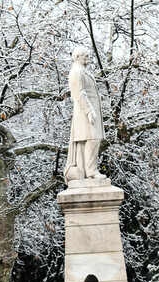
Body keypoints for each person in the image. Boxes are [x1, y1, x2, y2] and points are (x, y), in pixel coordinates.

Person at [64, 46, 106, 182]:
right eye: (85, 56)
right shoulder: (77, 71)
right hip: (84, 112)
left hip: (89, 111)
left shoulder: (82, 71)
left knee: (93, 139)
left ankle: (88, 169)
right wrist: (89, 111)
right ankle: (91, 171)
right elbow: (80, 93)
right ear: (77, 57)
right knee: (92, 138)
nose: (88, 58)